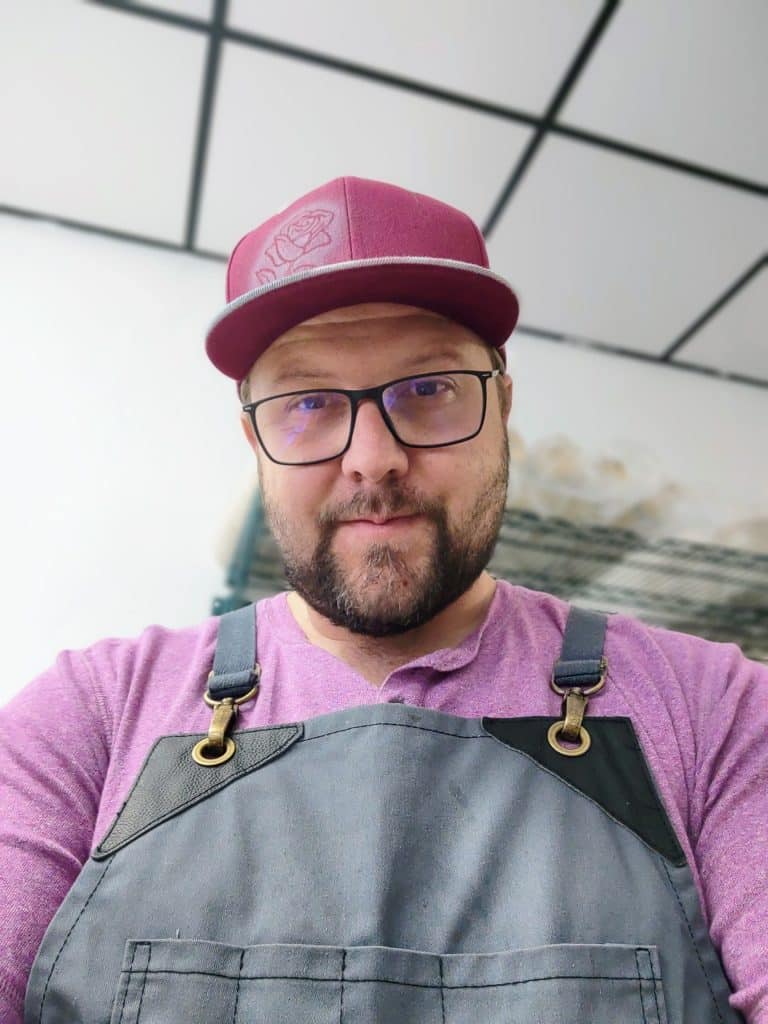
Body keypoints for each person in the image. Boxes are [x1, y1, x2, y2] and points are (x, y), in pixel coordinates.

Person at [1, 176, 765, 1024]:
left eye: (428, 389)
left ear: (502, 407)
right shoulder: (90, 718)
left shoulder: (715, 711)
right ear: (255, 439)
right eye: (309, 403)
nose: (373, 458)